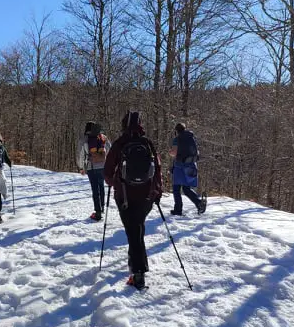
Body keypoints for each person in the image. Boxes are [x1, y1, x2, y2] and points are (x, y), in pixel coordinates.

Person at [104, 111, 163, 290]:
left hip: (125, 197)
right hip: (146, 197)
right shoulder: (148, 143)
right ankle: (135, 265)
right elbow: (158, 169)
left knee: (133, 232)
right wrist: (157, 191)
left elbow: (107, 173)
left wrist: (116, 182)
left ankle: (138, 274)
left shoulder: (120, 144)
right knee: (137, 229)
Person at [169, 123, 206, 215]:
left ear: (176, 131)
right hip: (191, 165)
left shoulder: (177, 139)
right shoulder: (191, 137)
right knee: (186, 189)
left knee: (176, 188)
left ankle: (178, 209)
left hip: (179, 166)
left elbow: (174, 152)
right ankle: (199, 203)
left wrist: (170, 152)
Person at [77, 121, 111, 221]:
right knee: (101, 186)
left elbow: (80, 155)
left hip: (91, 167)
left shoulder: (84, 139)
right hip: (102, 166)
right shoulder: (103, 137)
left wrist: (81, 167)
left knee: (95, 189)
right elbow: (110, 150)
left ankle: (98, 212)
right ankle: (102, 208)